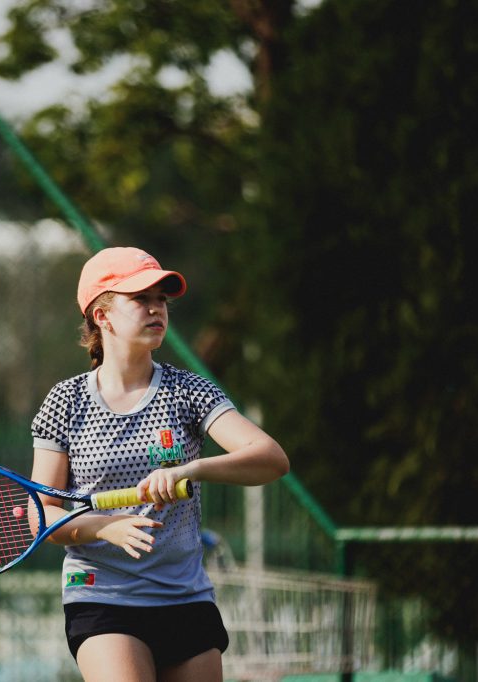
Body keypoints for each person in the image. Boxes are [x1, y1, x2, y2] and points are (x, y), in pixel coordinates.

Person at [31, 246, 290, 682]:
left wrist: (191, 470)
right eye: (140, 298)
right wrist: (104, 527)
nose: (156, 309)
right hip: (102, 597)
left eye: (161, 300)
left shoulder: (189, 391)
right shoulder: (65, 402)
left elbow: (271, 459)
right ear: (102, 316)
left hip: (185, 598)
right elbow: (43, 515)